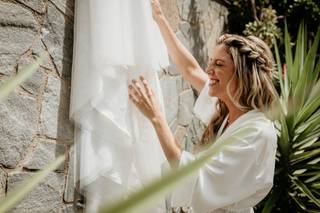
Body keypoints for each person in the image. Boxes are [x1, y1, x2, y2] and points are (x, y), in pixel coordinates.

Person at [128, 0, 279, 212]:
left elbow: (195, 179)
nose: (209, 69)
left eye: (219, 64)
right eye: (210, 61)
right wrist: (160, 19)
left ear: (242, 75)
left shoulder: (258, 134)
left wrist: (157, 118)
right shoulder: (229, 110)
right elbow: (191, 70)